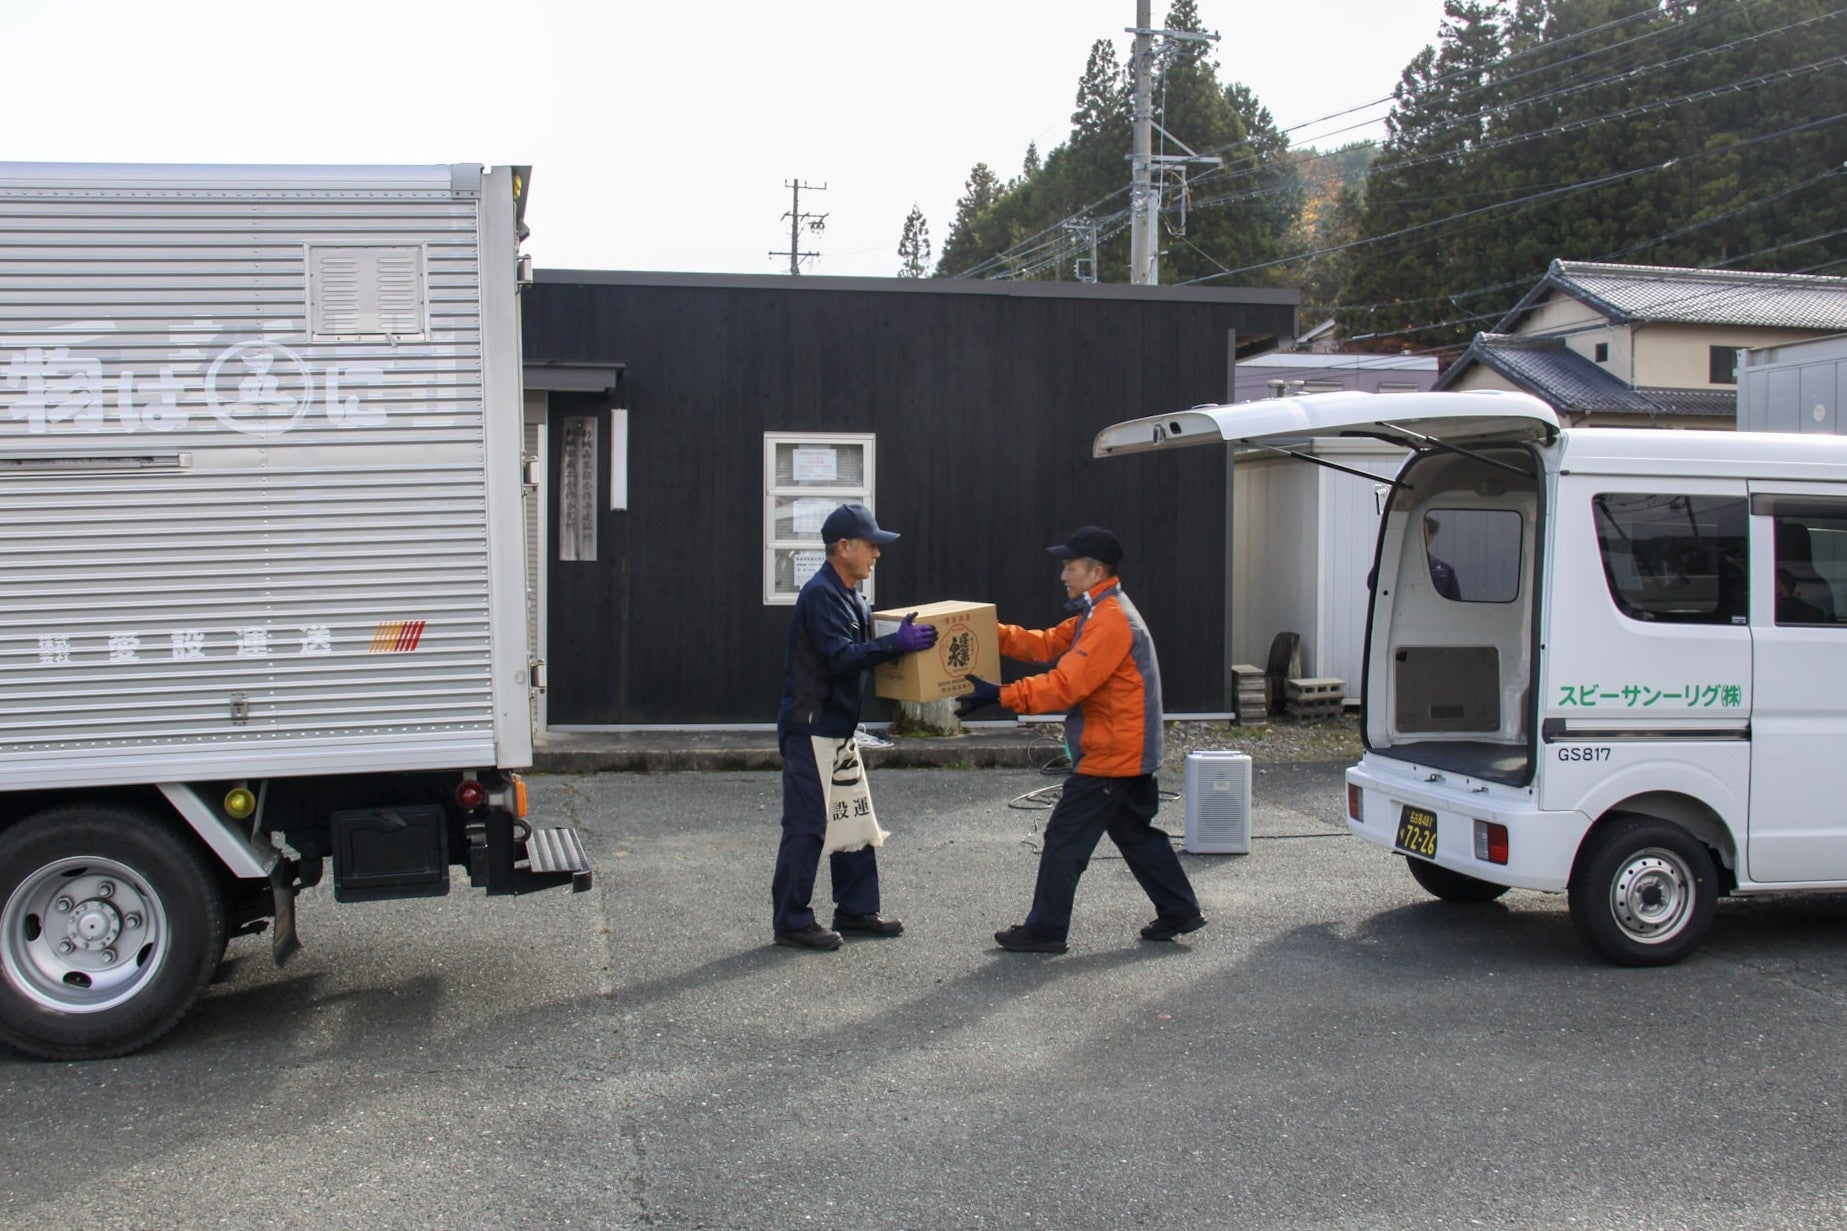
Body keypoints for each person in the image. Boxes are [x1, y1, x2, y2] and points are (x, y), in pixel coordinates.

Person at [960, 525, 1204, 953]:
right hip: (1127, 750)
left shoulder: (1110, 620)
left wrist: (1001, 696)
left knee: (1064, 838)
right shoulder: (1100, 612)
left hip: (1111, 754)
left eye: (1070, 566)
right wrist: (983, 629)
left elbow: (1065, 686)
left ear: (1095, 571)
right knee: (1134, 833)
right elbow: (1043, 644)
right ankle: (1179, 910)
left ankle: (1045, 931)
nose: (1063, 575)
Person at [772, 503, 937, 951]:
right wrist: (894, 645)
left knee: (853, 821)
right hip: (811, 727)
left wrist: (897, 645)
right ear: (843, 547)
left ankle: (857, 910)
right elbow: (841, 657)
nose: (877, 554)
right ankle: (791, 920)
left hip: (838, 728)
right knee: (807, 826)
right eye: (871, 545)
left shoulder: (854, 597)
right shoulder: (821, 595)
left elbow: (861, 655)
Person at [1424, 516, 1461, 601]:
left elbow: (1454, 604)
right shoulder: (1394, 567)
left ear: (1430, 537)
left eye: (1421, 531)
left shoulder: (1445, 572)